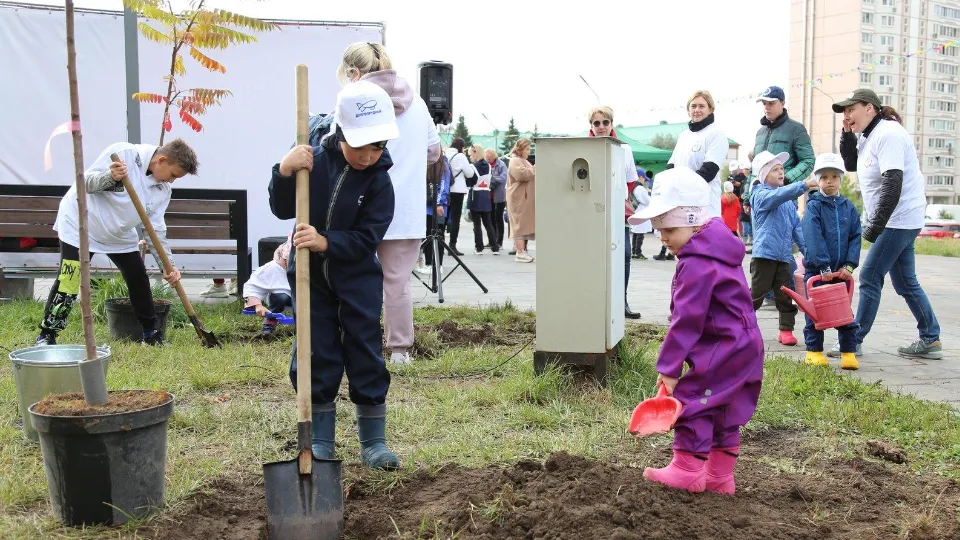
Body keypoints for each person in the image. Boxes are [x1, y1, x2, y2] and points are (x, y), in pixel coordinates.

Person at [268, 81, 400, 470]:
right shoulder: (311, 162)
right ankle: (320, 441)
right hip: (310, 277)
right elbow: (281, 208)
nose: (369, 156)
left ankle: (373, 442)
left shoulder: (379, 180)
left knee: (364, 347)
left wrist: (327, 242)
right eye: (360, 146)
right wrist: (284, 171)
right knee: (315, 350)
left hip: (357, 278)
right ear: (341, 133)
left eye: (378, 147)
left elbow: (369, 237)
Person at [628, 167, 764, 495]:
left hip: (723, 345)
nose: (663, 238)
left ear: (692, 222)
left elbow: (686, 320)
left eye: (669, 229)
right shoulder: (721, 249)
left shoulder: (695, 263)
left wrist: (669, 368)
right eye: (659, 230)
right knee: (725, 406)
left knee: (692, 400)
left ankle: (687, 471)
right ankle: (719, 477)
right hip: (746, 343)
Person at [335, 42, 442, 367]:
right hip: (405, 208)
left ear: (352, 72)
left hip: (360, 206)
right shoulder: (418, 103)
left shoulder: (352, 98)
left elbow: (335, 146)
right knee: (397, 282)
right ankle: (399, 351)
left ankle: (353, 342)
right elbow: (434, 152)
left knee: (350, 277)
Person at [36, 139, 196, 346]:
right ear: (162, 160)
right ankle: (47, 334)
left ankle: (151, 333)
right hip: (81, 223)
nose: (172, 181)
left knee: (137, 275)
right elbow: (85, 183)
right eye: (173, 175)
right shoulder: (123, 153)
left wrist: (167, 265)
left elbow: (155, 229)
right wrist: (109, 177)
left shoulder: (162, 190)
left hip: (118, 232)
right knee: (70, 276)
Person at [829, 88, 942, 359]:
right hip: (898, 219)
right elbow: (851, 164)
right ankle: (931, 338)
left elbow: (893, 183)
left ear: (869, 108)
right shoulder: (869, 136)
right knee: (905, 282)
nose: (847, 115)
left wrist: (874, 227)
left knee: (870, 276)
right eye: (844, 111)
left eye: (851, 109)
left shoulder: (888, 134)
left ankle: (853, 340)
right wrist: (846, 134)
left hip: (898, 219)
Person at [749, 151, 820, 346]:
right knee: (757, 294)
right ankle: (741, 324)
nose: (781, 172)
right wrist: (803, 185)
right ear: (764, 175)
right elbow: (777, 196)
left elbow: (797, 229)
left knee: (785, 295)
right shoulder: (759, 195)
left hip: (784, 257)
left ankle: (786, 330)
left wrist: (808, 253)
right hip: (764, 255)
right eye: (775, 170)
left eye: (781, 169)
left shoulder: (788, 203)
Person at [801, 153, 862, 370]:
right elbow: (813, 237)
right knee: (814, 312)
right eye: (824, 177)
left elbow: (855, 236)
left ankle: (848, 352)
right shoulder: (814, 206)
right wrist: (823, 266)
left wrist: (850, 265)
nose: (830, 181)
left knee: (844, 313)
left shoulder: (848, 207)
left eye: (834, 177)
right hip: (818, 272)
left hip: (840, 273)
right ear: (818, 180)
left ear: (840, 179)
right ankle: (814, 351)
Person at [654, 90, 727, 261]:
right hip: (681, 208)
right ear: (688, 110)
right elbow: (671, 167)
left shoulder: (716, 134)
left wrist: (680, 189)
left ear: (710, 109)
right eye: (693, 106)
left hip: (704, 208)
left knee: (703, 257)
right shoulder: (684, 136)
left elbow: (708, 171)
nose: (697, 110)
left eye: (702, 106)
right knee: (684, 257)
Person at [588, 105, 641, 319]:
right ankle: (594, 302)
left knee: (624, 255)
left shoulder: (624, 149)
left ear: (612, 124)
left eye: (605, 122)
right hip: (591, 210)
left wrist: (621, 196)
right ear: (591, 126)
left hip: (617, 209)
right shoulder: (584, 148)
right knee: (594, 256)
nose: (601, 127)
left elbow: (630, 180)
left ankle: (621, 302)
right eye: (596, 123)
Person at [753, 85, 815, 185]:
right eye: (764, 103)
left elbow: (808, 161)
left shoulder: (796, 129)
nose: (766, 107)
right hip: (761, 192)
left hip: (786, 192)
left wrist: (785, 180)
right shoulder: (760, 132)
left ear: (782, 103)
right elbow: (754, 167)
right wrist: (748, 193)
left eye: (771, 103)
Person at [243, 236, 293, 336]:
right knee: (280, 297)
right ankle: (270, 321)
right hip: (284, 297)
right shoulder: (272, 269)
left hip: (305, 298)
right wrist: (257, 305)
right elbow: (252, 286)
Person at [417, 151, 450, 276]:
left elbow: (444, 185)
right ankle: (429, 263)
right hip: (426, 205)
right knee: (428, 235)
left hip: (437, 206)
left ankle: (437, 264)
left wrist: (439, 203)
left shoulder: (442, 164)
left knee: (437, 235)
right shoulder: (426, 163)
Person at [506, 138, 536, 263]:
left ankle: (522, 251)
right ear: (520, 149)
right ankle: (520, 252)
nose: (529, 151)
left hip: (523, 197)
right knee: (518, 225)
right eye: (527, 149)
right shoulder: (515, 160)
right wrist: (534, 168)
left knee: (522, 224)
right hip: (518, 198)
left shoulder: (522, 160)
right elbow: (521, 175)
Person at [467, 144, 499, 254]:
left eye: (471, 154)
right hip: (486, 195)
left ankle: (479, 248)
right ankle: (495, 247)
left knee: (477, 224)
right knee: (488, 223)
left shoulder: (472, 167)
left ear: (475, 152)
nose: (470, 156)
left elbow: (469, 183)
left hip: (475, 195)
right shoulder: (489, 166)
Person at [447, 138, 475, 256]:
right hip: (457, 190)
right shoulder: (460, 156)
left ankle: (440, 245)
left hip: (445, 189)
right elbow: (470, 173)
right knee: (455, 219)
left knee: (443, 218)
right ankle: (452, 245)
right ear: (461, 147)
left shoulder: (445, 154)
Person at [487, 149, 508, 248]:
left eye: (489, 158)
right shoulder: (487, 164)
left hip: (499, 196)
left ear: (493, 156)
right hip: (489, 196)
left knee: (498, 218)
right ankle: (492, 240)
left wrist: (492, 179)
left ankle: (499, 241)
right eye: (486, 158)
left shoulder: (501, 164)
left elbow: (504, 178)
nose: (487, 159)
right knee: (490, 219)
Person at [630, 180, 651, 260]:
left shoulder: (634, 187)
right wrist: (649, 194)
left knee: (636, 233)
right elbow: (647, 200)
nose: (644, 180)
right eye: (644, 178)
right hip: (642, 211)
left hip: (636, 211)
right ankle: (638, 253)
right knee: (640, 233)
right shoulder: (640, 188)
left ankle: (634, 252)